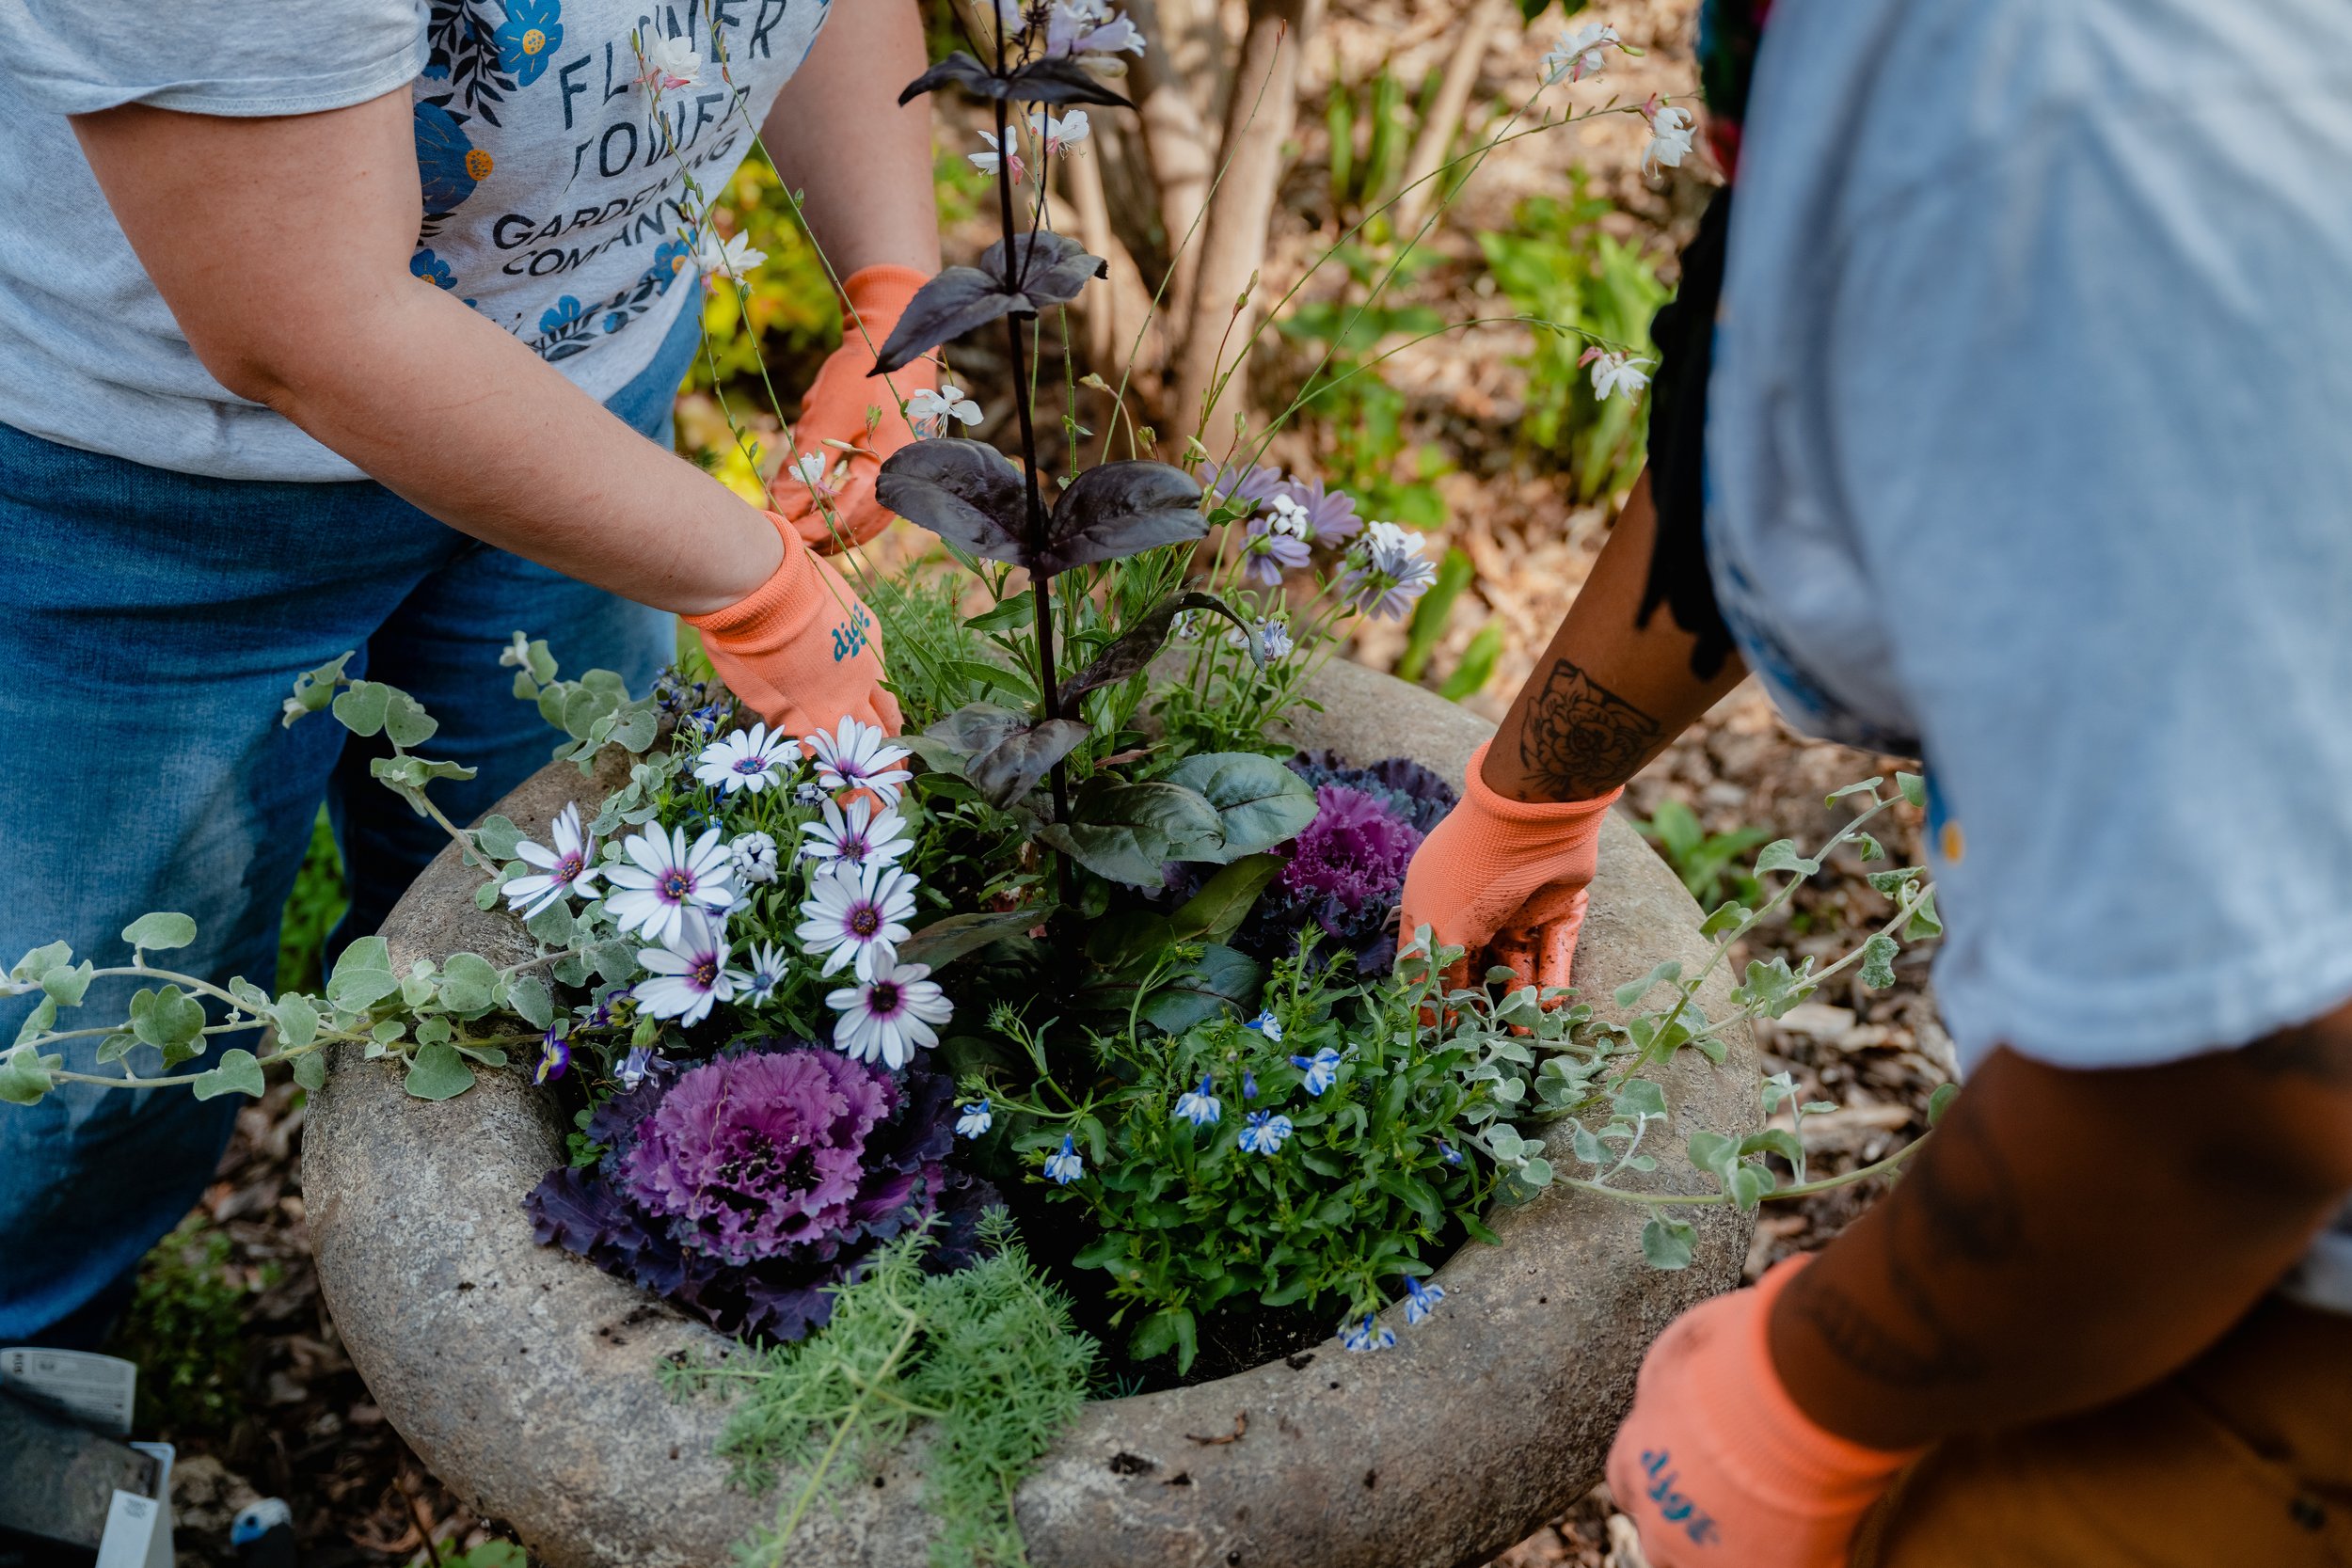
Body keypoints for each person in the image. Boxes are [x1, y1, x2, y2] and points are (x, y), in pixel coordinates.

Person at [1399, 0, 2352, 1560]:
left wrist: (1804, 1399)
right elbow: (1773, 396)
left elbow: (2243, 1092)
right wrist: (1531, 799)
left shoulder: (2086, 140)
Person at [0, 0, 937, 1348]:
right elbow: (300, 319)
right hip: (146, 483)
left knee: (550, 939)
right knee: (89, 1049)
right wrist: (760, 587)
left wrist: (895, 286)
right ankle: (32, 1364)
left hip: (578, 410)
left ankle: (471, 1298)